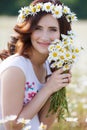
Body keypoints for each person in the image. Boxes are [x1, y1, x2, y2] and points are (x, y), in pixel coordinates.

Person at [0, 0, 73, 129]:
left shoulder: (48, 66)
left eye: (53, 29)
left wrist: (58, 86)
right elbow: (12, 126)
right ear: (29, 30)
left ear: (63, 34)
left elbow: (44, 124)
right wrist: (48, 88)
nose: (44, 37)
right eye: (38, 28)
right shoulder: (15, 68)